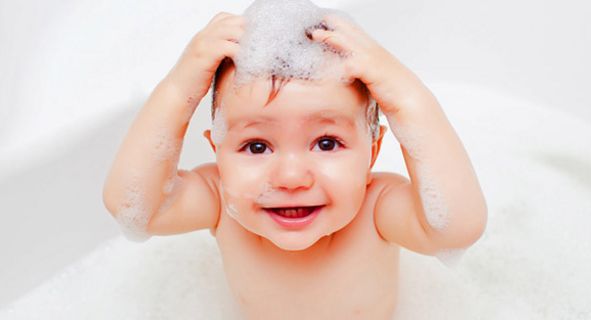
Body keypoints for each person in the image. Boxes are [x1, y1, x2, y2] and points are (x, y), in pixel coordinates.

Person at [103, 7, 487, 319]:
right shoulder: (219, 200)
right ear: (217, 152)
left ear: (371, 152)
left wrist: (406, 96)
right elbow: (133, 206)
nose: (290, 177)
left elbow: (456, 229)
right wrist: (179, 87)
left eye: (326, 142)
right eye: (256, 146)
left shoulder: (377, 208)